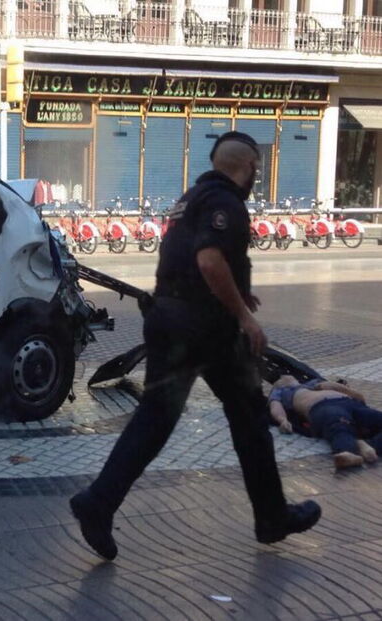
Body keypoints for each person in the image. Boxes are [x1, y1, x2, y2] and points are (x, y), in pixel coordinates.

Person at [68, 132, 321, 561]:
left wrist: (239, 293)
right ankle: (272, 516)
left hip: (169, 317)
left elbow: (189, 261)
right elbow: (208, 259)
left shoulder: (190, 198)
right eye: (256, 169)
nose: (255, 177)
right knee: (249, 418)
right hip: (207, 329)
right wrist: (243, 315)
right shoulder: (227, 202)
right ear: (249, 167)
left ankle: (98, 503)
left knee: (155, 421)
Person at [269, 374, 382, 469]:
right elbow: (275, 407)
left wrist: (353, 394)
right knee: (339, 427)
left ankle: (367, 445)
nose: (285, 377)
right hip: (322, 406)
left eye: (289, 376)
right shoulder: (281, 392)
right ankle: (346, 452)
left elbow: (337, 387)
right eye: (282, 379)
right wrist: (282, 420)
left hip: (350, 402)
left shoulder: (312, 383)